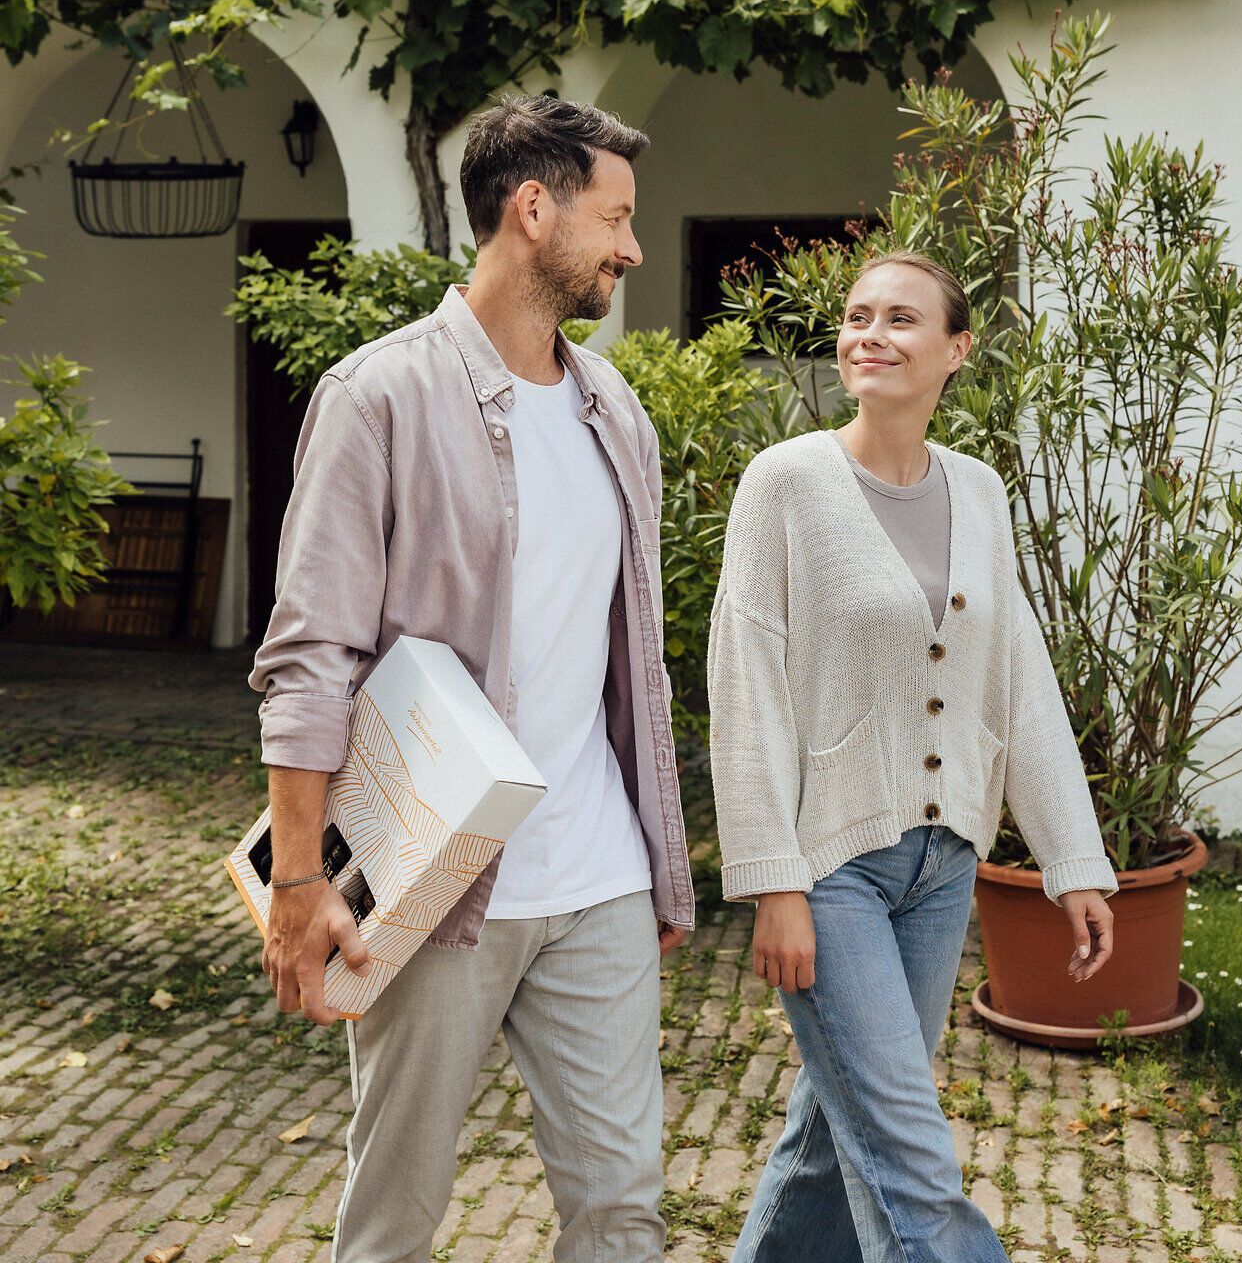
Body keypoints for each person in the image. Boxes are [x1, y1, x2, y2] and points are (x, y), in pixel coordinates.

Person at [250, 93, 694, 1263]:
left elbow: (623, 663)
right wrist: (300, 880)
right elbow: (310, 655)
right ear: (531, 208)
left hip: (594, 875)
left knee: (621, 1204)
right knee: (396, 1212)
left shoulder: (615, 412)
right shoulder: (379, 398)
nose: (632, 248)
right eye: (616, 219)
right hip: (436, 882)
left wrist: (655, 860)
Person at [708, 249, 1118, 1262]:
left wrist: (1071, 862)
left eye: (899, 319)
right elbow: (744, 686)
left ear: (954, 349)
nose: (868, 336)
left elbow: (1013, 681)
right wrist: (773, 884)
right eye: (856, 317)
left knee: (832, 1131)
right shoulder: (786, 484)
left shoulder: (977, 491)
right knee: (909, 1161)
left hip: (941, 870)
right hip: (830, 870)